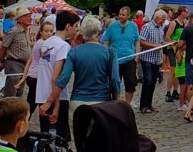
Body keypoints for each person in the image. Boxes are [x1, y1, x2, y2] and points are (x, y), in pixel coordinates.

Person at [49, 17, 119, 139]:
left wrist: (49, 101)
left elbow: (63, 78)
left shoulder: (74, 52)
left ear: (82, 32)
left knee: (80, 143)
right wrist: (118, 101)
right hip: (101, 103)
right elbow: (115, 80)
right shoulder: (110, 52)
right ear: (99, 32)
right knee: (100, 142)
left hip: (78, 102)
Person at [36, 11, 79, 141]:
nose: (77, 29)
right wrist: (55, 105)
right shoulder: (63, 46)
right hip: (55, 97)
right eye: (76, 26)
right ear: (68, 26)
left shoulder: (46, 42)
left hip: (42, 95)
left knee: (47, 138)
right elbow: (56, 77)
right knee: (58, 140)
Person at [102, 6, 140, 107]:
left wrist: (137, 57)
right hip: (115, 60)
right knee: (114, 83)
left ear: (128, 16)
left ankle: (127, 105)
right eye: (120, 14)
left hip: (130, 59)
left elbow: (137, 42)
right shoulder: (112, 26)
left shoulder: (133, 26)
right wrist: (105, 56)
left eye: (123, 15)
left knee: (131, 83)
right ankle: (116, 103)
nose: (121, 16)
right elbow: (106, 42)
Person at [16, 20, 54, 117]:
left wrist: (24, 77)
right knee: (39, 104)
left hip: (33, 77)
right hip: (37, 78)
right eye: (46, 31)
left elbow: (30, 60)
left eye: (51, 31)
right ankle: (22, 122)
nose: (49, 33)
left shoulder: (40, 42)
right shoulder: (43, 44)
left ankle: (23, 121)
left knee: (32, 103)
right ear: (41, 31)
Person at [0, 6, 33, 98]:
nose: (30, 18)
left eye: (30, 16)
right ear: (20, 19)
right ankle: (8, 111)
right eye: (27, 16)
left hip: (23, 65)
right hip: (14, 63)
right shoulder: (14, 31)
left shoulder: (25, 31)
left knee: (19, 92)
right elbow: (2, 47)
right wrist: (2, 62)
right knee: (11, 92)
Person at [138, 9, 167, 114]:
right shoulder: (147, 27)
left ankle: (149, 104)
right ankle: (143, 105)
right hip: (147, 59)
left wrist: (167, 43)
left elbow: (160, 42)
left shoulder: (160, 28)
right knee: (148, 81)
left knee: (153, 82)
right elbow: (141, 41)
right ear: (157, 17)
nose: (163, 22)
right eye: (163, 20)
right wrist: (155, 46)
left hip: (156, 60)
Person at [163, 7, 186, 103]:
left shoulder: (183, 23)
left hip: (179, 50)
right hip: (172, 49)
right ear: (182, 13)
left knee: (177, 71)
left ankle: (175, 91)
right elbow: (167, 37)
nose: (187, 13)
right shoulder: (174, 23)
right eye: (186, 12)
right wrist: (173, 46)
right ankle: (168, 92)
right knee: (172, 71)